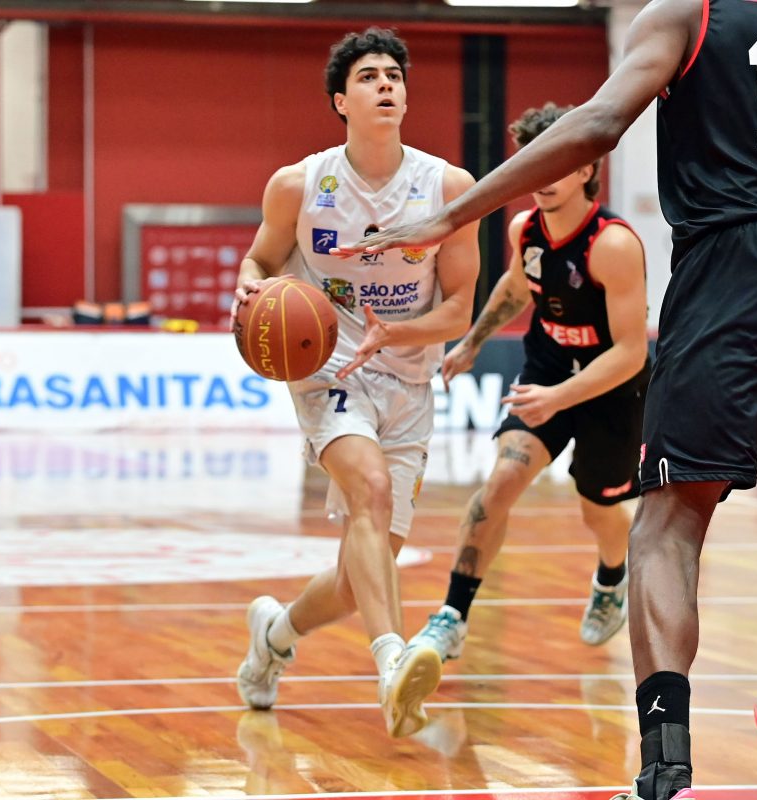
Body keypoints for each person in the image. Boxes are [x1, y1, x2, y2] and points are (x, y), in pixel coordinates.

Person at [348, 1, 757, 797]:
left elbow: (600, 123)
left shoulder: (689, 12)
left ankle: (665, 775)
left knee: (667, 526)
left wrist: (450, 214)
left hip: (736, 266)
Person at [231, 28, 480, 739]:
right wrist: (249, 290)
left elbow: (458, 309)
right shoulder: (299, 185)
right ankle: (392, 660)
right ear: (340, 100)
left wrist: (395, 334)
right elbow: (259, 260)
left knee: (356, 579)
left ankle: (274, 636)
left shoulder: (448, 188)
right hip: (329, 368)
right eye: (368, 76)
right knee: (368, 489)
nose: (385, 84)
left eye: (394, 75)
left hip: (407, 376)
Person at [408, 103, 650, 663]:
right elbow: (517, 287)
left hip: (612, 389)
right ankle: (452, 616)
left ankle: (612, 577)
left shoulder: (613, 245)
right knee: (500, 485)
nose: (543, 177)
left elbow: (631, 352)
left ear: (587, 169)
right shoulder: (527, 230)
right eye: (536, 163)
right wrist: (472, 342)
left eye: (558, 164)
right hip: (547, 370)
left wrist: (558, 399)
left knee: (598, 510)